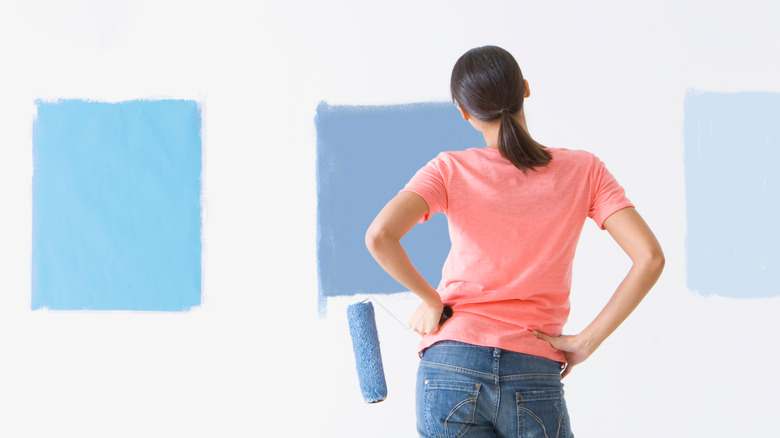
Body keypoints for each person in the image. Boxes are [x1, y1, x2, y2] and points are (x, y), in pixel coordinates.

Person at [365, 45, 664, 438]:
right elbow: (650, 257)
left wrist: (431, 300)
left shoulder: (449, 169)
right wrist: (586, 341)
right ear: (525, 88)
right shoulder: (585, 170)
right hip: (533, 366)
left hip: (450, 363)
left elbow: (380, 235)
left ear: (465, 113)